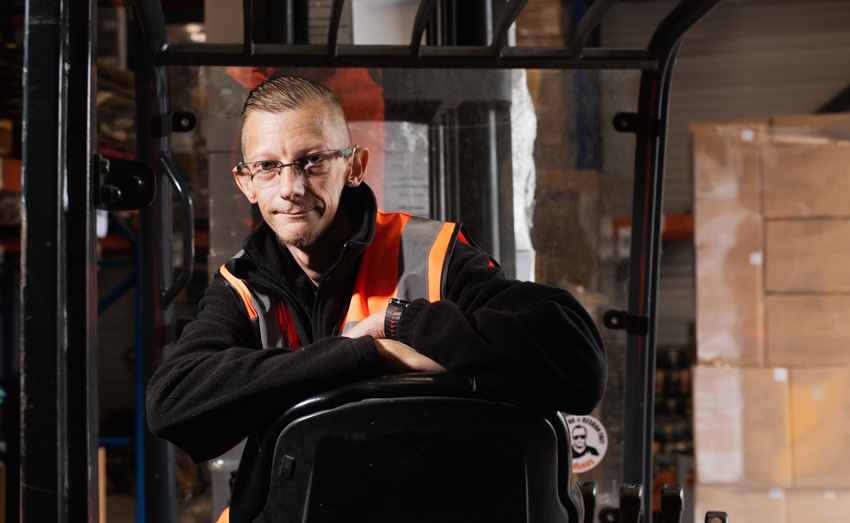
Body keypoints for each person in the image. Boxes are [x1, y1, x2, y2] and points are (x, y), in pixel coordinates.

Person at [145, 75, 607, 521]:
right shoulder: (242, 288)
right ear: (246, 182)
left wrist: (401, 323)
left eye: (313, 160)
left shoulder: (431, 256)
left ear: (354, 166)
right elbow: (172, 404)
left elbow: (578, 360)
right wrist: (370, 354)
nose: (291, 187)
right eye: (267, 166)